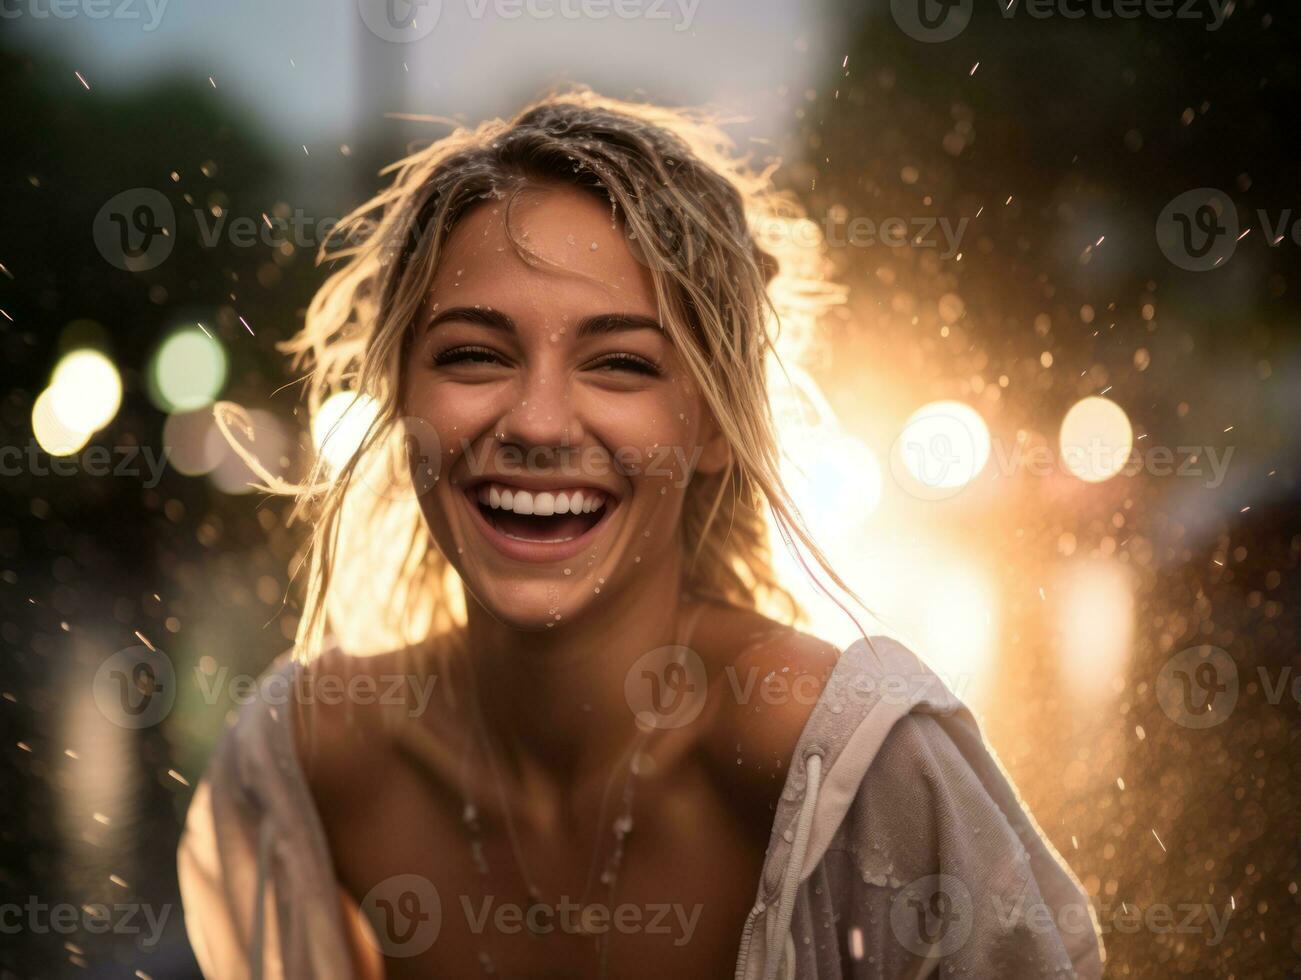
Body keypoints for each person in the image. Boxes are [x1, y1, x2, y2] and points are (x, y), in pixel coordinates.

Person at [178, 88, 1102, 979]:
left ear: (707, 428)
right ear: (399, 397)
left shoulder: (839, 766)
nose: (538, 424)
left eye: (620, 364)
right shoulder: (312, 761)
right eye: (472, 354)